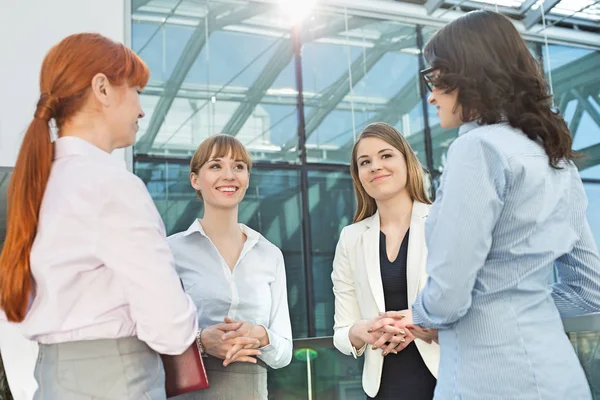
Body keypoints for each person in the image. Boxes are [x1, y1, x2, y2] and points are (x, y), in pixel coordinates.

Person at [371, 10, 600, 400]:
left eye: (436, 77)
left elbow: (447, 299)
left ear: (470, 73)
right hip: (560, 377)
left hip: (489, 379)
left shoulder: (476, 149)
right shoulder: (556, 159)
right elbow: (587, 291)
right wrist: (518, 302)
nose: (430, 94)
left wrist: (422, 316)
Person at [0, 33, 199, 399]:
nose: (141, 109)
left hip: (51, 376)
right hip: (117, 377)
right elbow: (169, 327)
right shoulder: (110, 184)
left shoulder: (36, 183)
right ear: (102, 88)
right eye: (137, 89)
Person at [168, 134, 293, 400]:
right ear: (195, 180)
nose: (229, 175)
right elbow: (152, 335)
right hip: (191, 391)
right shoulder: (170, 252)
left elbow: (284, 353)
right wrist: (201, 341)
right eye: (216, 166)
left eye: (239, 166)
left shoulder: (270, 255)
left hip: (252, 391)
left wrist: (261, 337)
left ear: (247, 178)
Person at [331, 122, 439, 399]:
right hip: (383, 388)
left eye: (386, 155)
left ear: (407, 161)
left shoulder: (442, 221)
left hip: (447, 379)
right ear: (359, 176)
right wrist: (362, 331)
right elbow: (342, 333)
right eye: (365, 162)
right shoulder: (351, 238)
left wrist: (422, 321)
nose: (375, 166)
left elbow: (475, 304)